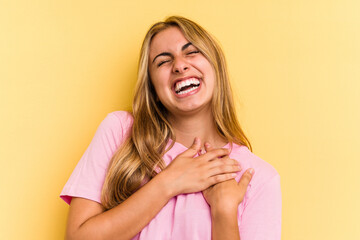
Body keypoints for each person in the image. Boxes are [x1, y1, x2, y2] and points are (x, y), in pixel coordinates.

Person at [60, 16, 282, 240]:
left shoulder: (258, 178)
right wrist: (169, 183)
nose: (180, 65)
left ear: (216, 68)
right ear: (152, 87)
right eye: (163, 61)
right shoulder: (120, 131)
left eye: (192, 52)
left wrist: (224, 212)